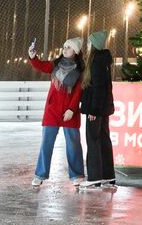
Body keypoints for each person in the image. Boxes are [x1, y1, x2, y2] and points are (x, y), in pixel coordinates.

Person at [27, 37, 85, 187]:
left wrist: (72, 109)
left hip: (69, 113)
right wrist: (33, 57)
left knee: (73, 144)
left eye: (69, 47)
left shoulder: (80, 71)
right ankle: (40, 174)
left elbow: (78, 92)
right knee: (46, 143)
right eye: (64, 46)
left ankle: (77, 175)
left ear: (75, 52)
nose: (64, 49)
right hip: (52, 110)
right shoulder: (55, 64)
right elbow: (41, 66)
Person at [79, 30, 115, 188]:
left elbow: (99, 88)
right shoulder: (104, 61)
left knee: (93, 141)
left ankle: (94, 177)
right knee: (104, 141)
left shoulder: (96, 61)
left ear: (94, 45)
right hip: (103, 109)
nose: (87, 45)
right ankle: (107, 176)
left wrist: (93, 110)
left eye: (89, 42)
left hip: (96, 109)